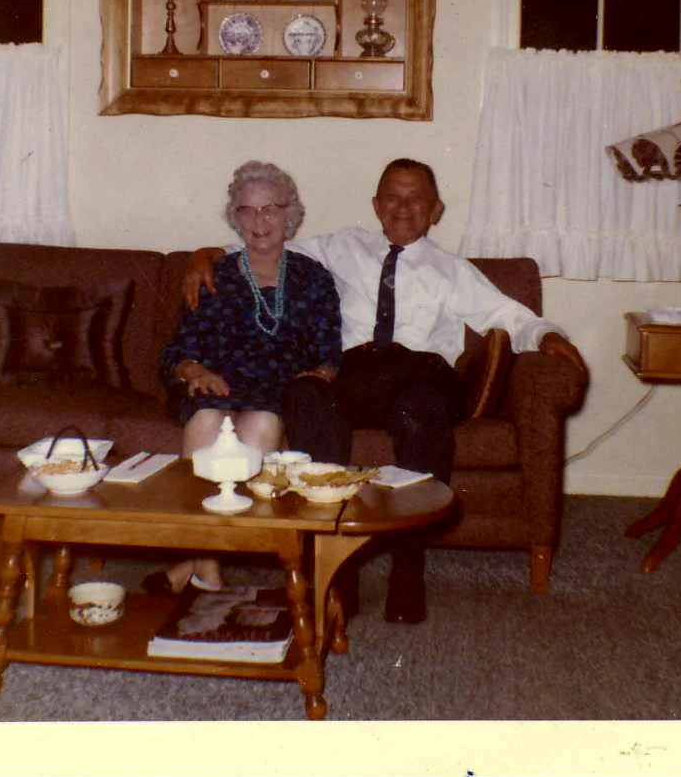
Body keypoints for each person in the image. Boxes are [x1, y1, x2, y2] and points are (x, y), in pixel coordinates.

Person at [184, 158, 586, 622]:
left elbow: (508, 314)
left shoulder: (452, 270)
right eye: (392, 197)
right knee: (307, 394)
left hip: (421, 376)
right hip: (356, 374)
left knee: (421, 406)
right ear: (376, 205)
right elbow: (266, 245)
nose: (403, 207)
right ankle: (335, 573)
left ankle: (408, 570)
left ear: (435, 209)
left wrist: (548, 337)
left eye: (416, 199)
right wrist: (207, 253)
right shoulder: (341, 247)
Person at [148, 160, 342, 595]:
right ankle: (208, 563)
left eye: (270, 208)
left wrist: (321, 373)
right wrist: (194, 370)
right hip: (214, 385)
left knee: (264, 426)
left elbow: (330, 353)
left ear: (290, 215)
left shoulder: (313, 277)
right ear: (234, 218)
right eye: (247, 210)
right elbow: (178, 349)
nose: (259, 220)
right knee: (205, 422)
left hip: (274, 390)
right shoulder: (212, 274)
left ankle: (200, 562)